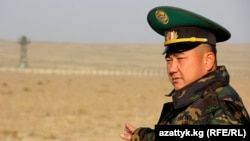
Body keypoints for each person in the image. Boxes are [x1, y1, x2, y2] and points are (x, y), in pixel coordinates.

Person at [120, 6, 250, 141]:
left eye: (180, 59)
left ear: (208, 61)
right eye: (169, 60)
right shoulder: (193, 100)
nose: (172, 69)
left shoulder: (220, 109)